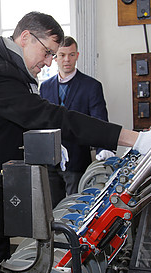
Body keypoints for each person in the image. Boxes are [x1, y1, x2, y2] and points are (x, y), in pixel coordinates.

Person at [0, 11, 151, 273]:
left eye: (52, 55)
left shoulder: (0, 64)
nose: (48, 62)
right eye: (47, 52)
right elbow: (51, 116)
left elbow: (13, 122)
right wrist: (133, 138)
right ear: (25, 37)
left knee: (0, 265)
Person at [40, 36, 114, 206]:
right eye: (62, 55)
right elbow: (42, 121)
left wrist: (104, 147)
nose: (67, 59)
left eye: (71, 55)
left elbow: (99, 120)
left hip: (77, 160)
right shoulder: (45, 87)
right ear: (55, 57)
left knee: (77, 208)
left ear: (77, 55)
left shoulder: (91, 86)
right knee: (53, 210)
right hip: (50, 161)